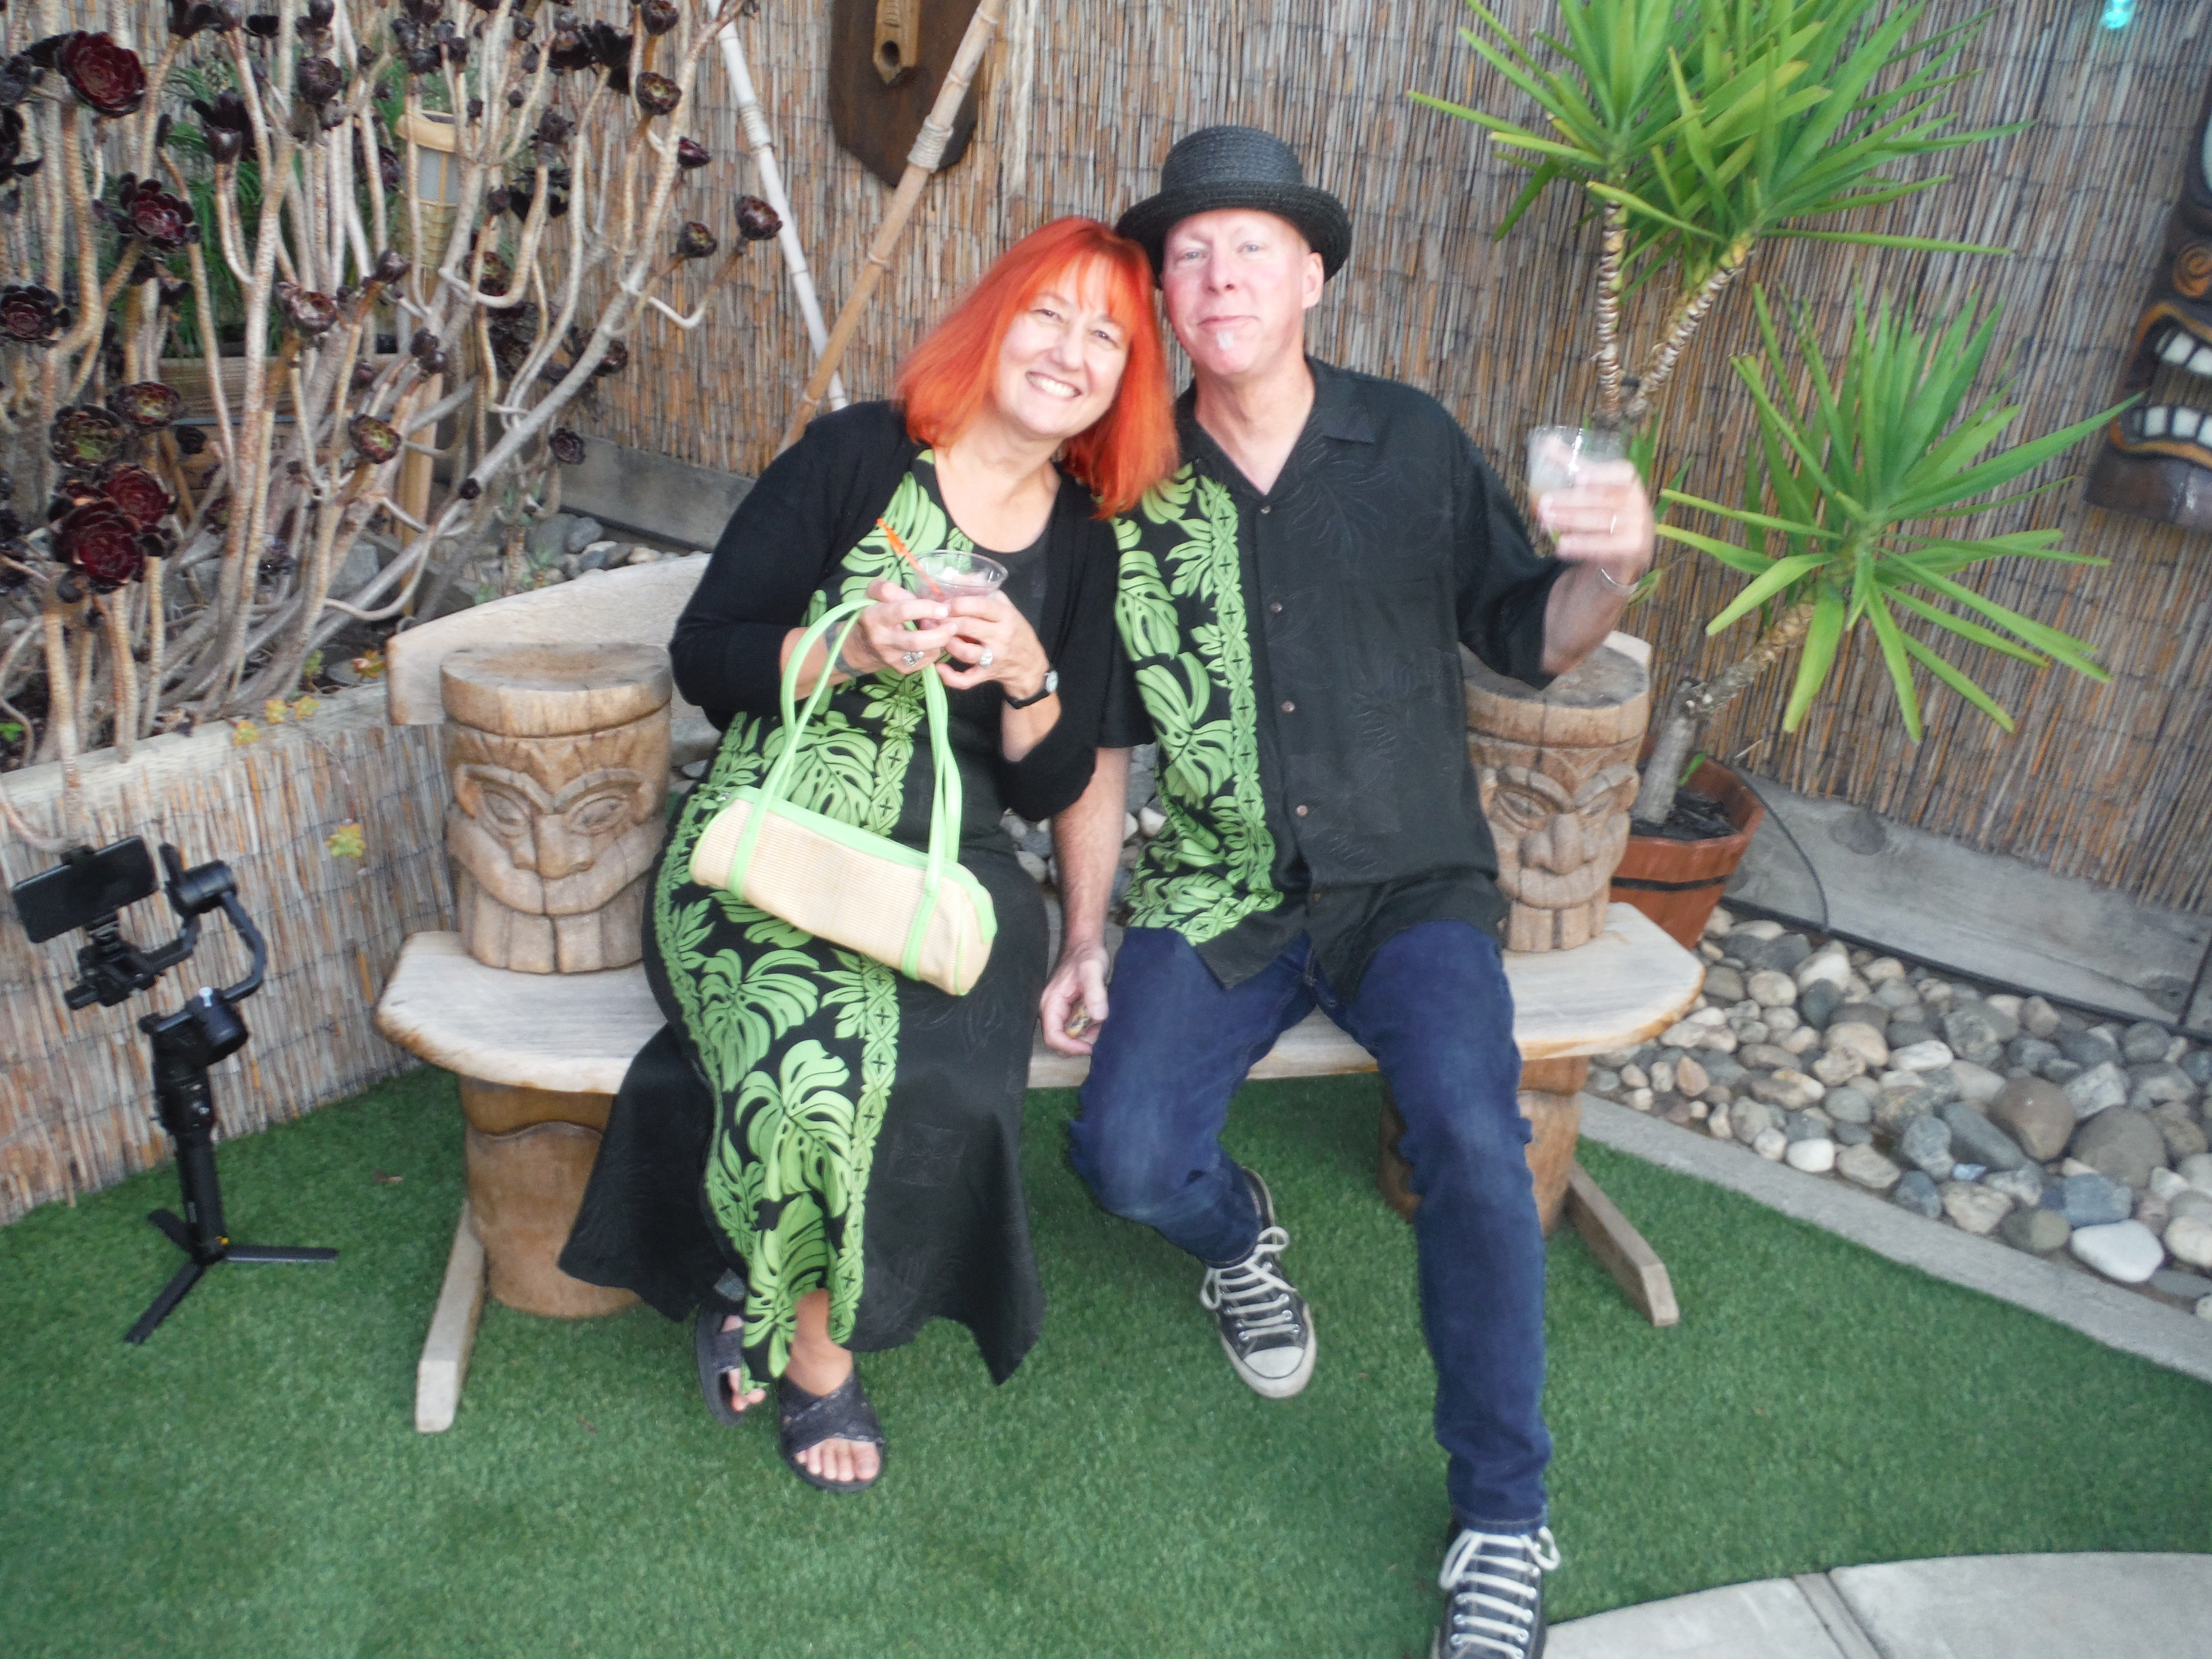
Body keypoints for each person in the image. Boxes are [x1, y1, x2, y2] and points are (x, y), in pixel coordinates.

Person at [1037, 129, 1656, 1657]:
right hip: (1223, 886)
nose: (1219, 276)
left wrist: (1613, 569)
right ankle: (1236, 1234)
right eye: (1190, 254)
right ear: (1165, 294)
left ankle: (1503, 1517)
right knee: (1124, 1161)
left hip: (1410, 887)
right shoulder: (1127, 488)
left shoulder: (1410, 440)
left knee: (1474, 1139)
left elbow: (1528, 632)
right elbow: (1102, 740)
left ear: (1311, 275)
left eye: (1252, 246)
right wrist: (1084, 934)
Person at [561, 217, 1177, 1494]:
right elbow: (707, 650)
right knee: (808, 1068)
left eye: (1107, 338)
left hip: (951, 868)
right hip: (767, 839)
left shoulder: (1084, 542)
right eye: (1048, 315)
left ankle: (756, 1290)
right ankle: (818, 1362)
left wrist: (1028, 675)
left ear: (1126, 382)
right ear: (993, 322)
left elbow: (1051, 783)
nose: (1070, 353)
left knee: (937, 1082)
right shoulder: (857, 456)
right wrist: (842, 648)